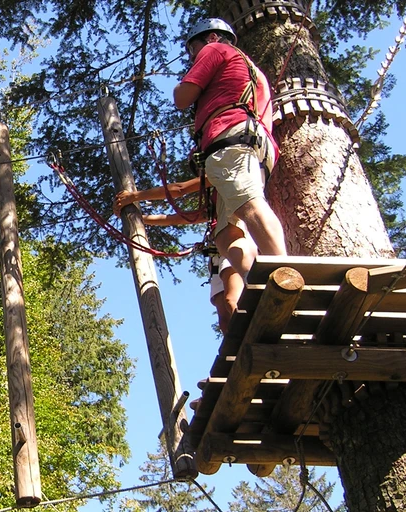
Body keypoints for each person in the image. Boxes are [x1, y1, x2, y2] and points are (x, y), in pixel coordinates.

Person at [116, 17, 286, 321]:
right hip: (252, 144)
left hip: (230, 137)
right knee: (226, 234)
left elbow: (182, 98)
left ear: (208, 38)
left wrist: (135, 197)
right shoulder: (253, 71)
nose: (193, 57)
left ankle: (285, 275)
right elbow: (192, 215)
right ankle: (260, 280)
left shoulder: (214, 49)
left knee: (248, 203)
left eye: (192, 50)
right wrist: (145, 218)